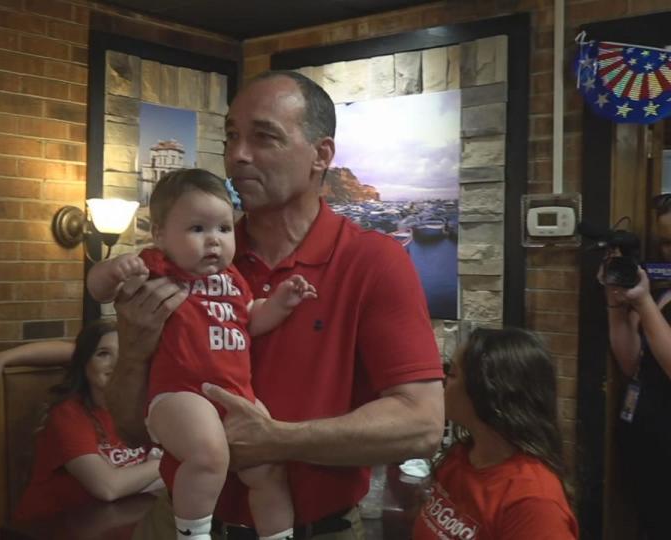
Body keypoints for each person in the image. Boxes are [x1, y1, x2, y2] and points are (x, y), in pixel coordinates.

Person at [107, 70, 445, 540]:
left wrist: (278, 440)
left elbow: (422, 426)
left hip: (314, 530)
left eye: (264, 137)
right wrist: (135, 350)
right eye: (231, 136)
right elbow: (132, 431)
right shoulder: (186, 263)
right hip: (181, 522)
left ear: (321, 156)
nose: (237, 155)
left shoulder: (374, 261)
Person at [88, 168, 317, 540]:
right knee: (208, 455)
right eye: (198, 230)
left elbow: (253, 320)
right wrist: (114, 269)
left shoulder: (233, 279)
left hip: (236, 395)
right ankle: (192, 533)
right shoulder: (158, 267)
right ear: (160, 234)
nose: (214, 241)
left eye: (224, 229)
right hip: (182, 393)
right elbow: (97, 289)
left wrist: (282, 302)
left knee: (270, 469)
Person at [0, 319, 163, 520]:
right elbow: (108, 487)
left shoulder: (144, 408)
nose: (116, 363)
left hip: (112, 520)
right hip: (51, 527)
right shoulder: (69, 415)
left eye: (125, 354)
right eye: (103, 354)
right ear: (84, 364)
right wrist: (167, 464)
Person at [412, 327, 578, 539]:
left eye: (452, 374)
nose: (444, 382)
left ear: (485, 393)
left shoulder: (533, 501)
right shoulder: (461, 457)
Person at [604, 194, 671, 540]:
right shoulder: (664, 292)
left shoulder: (653, 297)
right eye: (664, 242)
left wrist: (643, 303)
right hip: (647, 447)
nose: (668, 251)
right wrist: (617, 303)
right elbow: (632, 363)